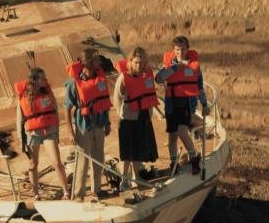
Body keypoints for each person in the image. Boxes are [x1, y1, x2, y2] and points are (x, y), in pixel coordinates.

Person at [155, 35, 211, 175]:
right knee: (172, 137)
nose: (180, 52)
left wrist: (204, 104)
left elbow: (199, 86)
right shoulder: (169, 65)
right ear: (173, 50)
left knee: (182, 132)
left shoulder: (194, 66)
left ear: (188, 49)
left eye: (183, 49)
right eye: (177, 50)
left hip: (186, 103)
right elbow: (159, 78)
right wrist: (175, 68)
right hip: (171, 104)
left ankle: (194, 159)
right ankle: (174, 165)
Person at [14, 67, 71, 201]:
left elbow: (55, 111)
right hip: (33, 134)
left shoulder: (48, 92)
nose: (46, 80)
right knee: (33, 165)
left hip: (49, 131)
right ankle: (36, 194)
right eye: (43, 78)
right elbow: (19, 120)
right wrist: (21, 141)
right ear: (35, 80)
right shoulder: (24, 96)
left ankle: (66, 192)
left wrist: (57, 133)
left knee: (57, 163)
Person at [64, 48, 112, 199]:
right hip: (83, 125)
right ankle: (78, 194)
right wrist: (70, 131)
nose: (100, 62)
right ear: (89, 62)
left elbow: (104, 101)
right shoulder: (73, 83)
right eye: (97, 59)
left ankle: (97, 190)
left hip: (99, 122)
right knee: (83, 160)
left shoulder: (100, 78)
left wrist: (107, 122)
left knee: (99, 157)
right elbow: (67, 107)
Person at [113, 47, 159, 190]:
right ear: (131, 62)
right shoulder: (123, 78)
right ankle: (124, 179)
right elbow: (117, 99)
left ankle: (136, 176)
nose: (139, 65)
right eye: (136, 62)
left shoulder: (147, 76)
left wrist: (149, 114)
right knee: (127, 152)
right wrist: (122, 114)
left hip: (143, 117)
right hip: (128, 119)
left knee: (138, 149)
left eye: (142, 62)